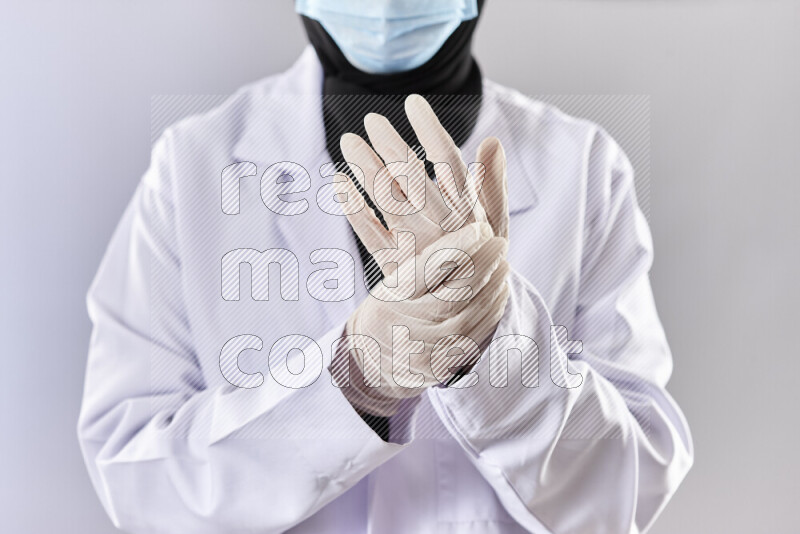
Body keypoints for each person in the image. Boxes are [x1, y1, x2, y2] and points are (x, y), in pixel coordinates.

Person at [77, 1, 693, 532]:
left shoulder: (582, 167)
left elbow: (630, 486)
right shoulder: (192, 165)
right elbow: (136, 480)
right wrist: (355, 381)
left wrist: (495, 354)